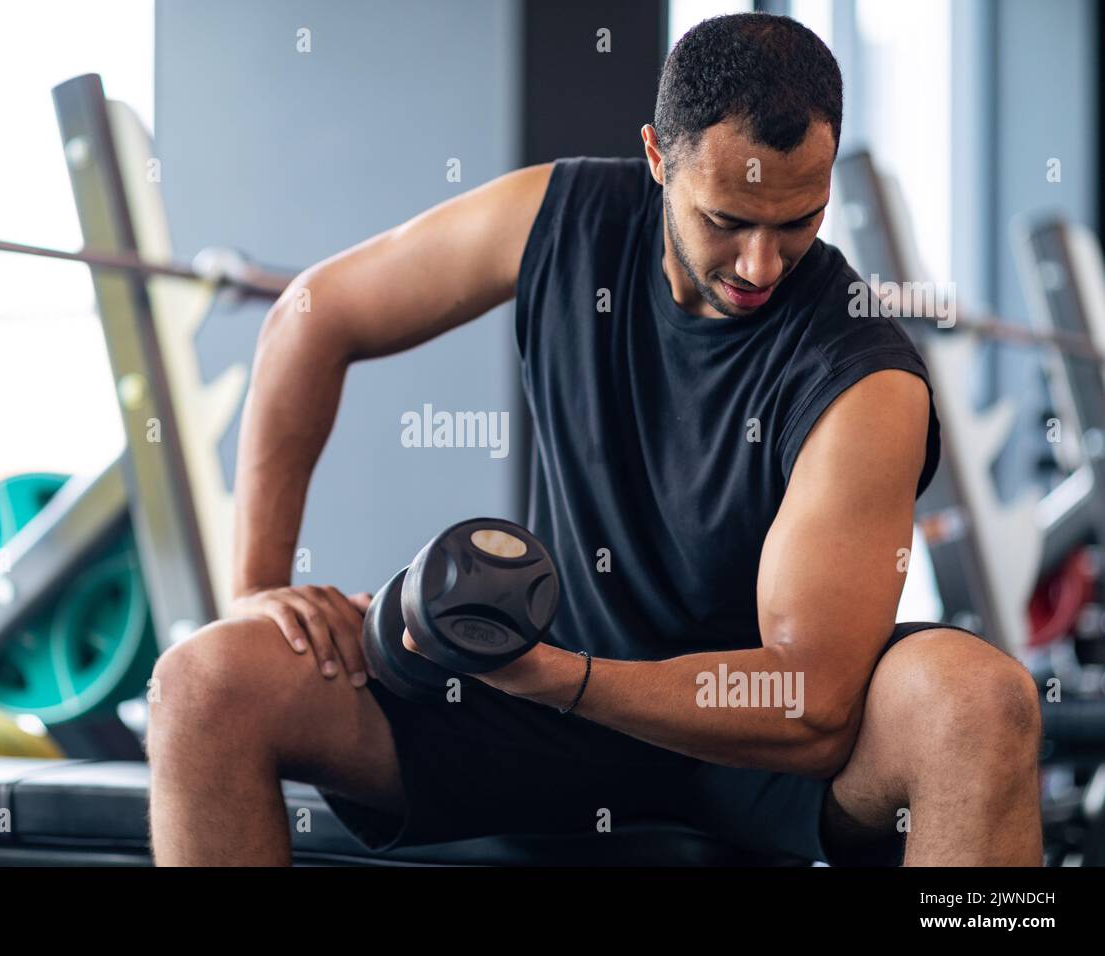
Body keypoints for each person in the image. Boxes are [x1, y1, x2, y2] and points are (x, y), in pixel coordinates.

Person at [147, 12, 1043, 866]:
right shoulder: (561, 215)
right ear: (658, 158)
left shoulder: (865, 378)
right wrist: (257, 585)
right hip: (544, 712)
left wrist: (558, 676)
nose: (761, 265)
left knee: (975, 700)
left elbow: (807, 704)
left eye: (796, 222)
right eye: (726, 221)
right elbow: (311, 315)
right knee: (204, 684)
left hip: (754, 754)